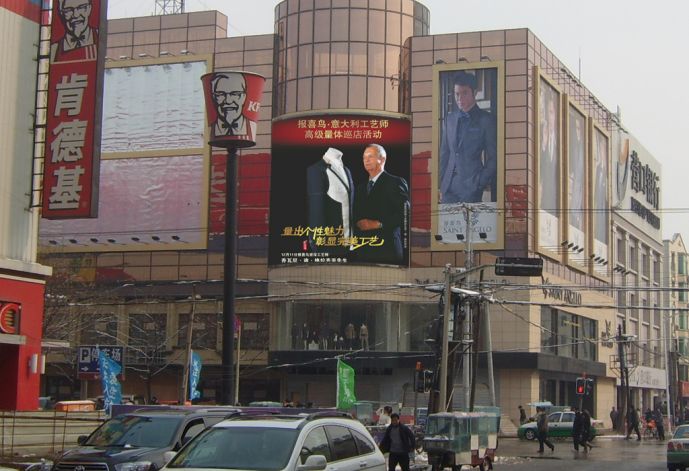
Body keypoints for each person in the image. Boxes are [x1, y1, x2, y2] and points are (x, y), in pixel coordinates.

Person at [439, 71, 497, 204]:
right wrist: (441, 183)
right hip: (448, 188)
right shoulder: (449, 119)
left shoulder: (486, 120)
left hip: (471, 187)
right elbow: (444, 154)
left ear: (474, 92)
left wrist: (479, 182)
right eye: (457, 94)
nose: (459, 98)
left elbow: (494, 158)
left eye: (464, 93)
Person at [352, 144, 409, 264]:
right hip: (363, 251)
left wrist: (379, 224)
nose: (366, 160)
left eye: (370, 156)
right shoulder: (360, 188)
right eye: (364, 157)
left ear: (382, 159)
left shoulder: (395, 182)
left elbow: (407, 214)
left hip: (387, 251)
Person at [306, 147, 354, 255]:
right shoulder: (316, 170)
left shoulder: (346, 170)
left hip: (349, 243)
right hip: (329, 245)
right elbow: (316, 211)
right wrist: (317, 244)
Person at [210, 73, 254, 138]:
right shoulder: (208, 130)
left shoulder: (253, 127)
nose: (228, 101)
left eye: (235, 94)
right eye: (221, 94)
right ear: (214, 98)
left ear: (244, 97)